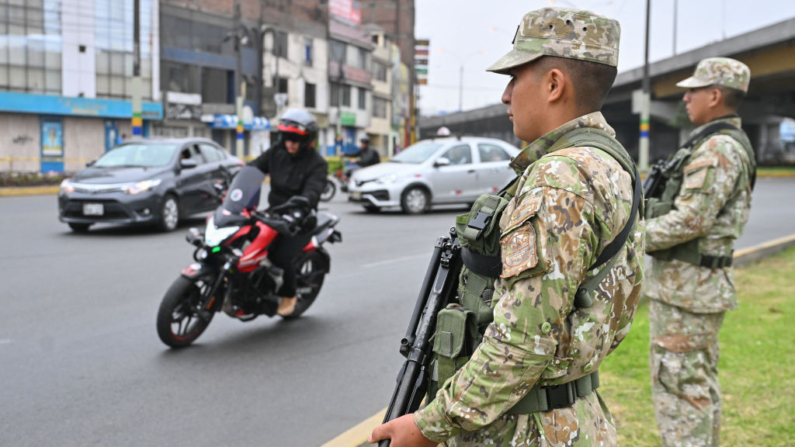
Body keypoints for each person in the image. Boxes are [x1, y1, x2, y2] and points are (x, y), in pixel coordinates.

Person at [370, 7, 644, 447]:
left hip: (523, 429)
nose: (505, 94)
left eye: (515, 77)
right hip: (568, 414)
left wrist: (429, 424)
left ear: (554, 84)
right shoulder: (611, 164)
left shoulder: (559, 179)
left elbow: (523, 341)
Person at [644, 57, 755, 447]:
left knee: (680, 388)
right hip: (692, 288)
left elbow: (691, 220)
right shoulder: (717, 142)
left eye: (693, 90)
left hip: (687, 291)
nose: (685, 97)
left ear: (715, 94)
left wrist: (629, 236)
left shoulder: (718, 148)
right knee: (695, 384)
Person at [249, 108, 328, 316]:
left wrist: (304, 202)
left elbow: (313, 190)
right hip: (274, 212)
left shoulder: (317, 164)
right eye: (287, 138)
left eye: (295, 139)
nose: (290, 143)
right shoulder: (277, 152)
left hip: (300, 219)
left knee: (280, 256)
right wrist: (235, 179)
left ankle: (289, 294)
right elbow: (254, 168)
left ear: (307, 140)